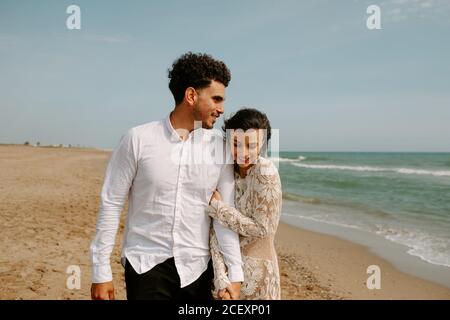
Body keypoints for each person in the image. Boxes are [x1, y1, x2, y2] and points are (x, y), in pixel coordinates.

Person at [90, 52, 244, 300]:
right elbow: (111, 203)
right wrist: (100, 271)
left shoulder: (220, 149)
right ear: (191, 95)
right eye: (216, 99)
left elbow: (224, 216)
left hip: (199, 270)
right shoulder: (137, 139)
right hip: (145, 265)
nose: (221, 109)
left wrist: (235, 274)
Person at [207, 108, 282, 300]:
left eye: (251, 145)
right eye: (236, 144)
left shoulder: (265, 172)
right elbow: (216, 231)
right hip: (227, 271)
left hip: (257, 275)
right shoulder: (227, 171)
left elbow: (262, 228)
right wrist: (222, 278)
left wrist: (219, 209)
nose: (243, 152)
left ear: (263, 145)